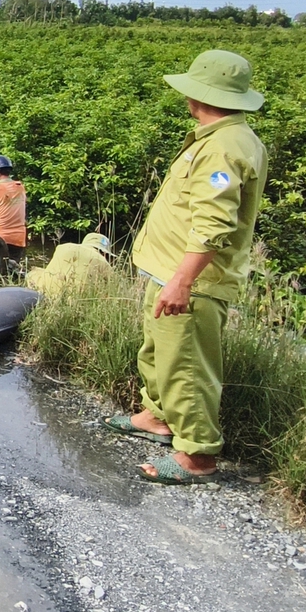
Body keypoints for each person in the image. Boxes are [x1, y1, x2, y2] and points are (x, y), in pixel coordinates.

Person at [117, 50, 268, 485]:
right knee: (158, 353)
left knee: (185, 366)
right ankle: (157, 417)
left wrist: (183, 282)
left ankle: (197, 455)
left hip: (192, 281)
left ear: (198, 94)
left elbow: (214, 224)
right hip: (168, 270)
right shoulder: (220, 137)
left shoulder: (223, 148)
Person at [26, 232, 115, 295]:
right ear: (105, 253)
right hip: (78, 299)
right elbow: (113, 289)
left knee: (33, 273)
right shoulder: (104, 263)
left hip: (47, 292)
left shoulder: (63, 247)